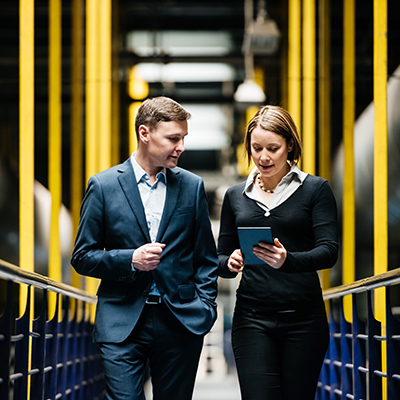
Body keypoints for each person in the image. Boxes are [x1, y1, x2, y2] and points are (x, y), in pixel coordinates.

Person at [71, 96, 218, 400]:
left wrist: (206, 308)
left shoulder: (191, 187)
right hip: (121, 321)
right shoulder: (104, 186)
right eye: (173, 138)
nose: (181, 147)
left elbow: (205, 258)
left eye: (183, 138)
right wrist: (130, 259)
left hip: (180, 320)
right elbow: (83, 257)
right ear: (144, 133)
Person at [217, 105, 338, 400]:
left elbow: (329, 251)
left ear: (290, 146)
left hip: (304, 319)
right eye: (256, 148)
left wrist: (288, 260)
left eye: (273, 148)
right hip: (252, 319)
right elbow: (218, 259)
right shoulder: (236, 196)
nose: (264, 157)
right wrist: (230, 262)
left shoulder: (315, 190)